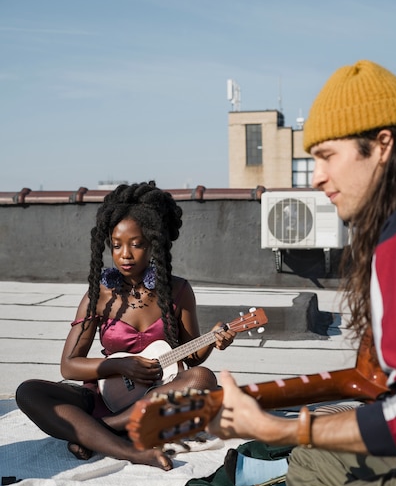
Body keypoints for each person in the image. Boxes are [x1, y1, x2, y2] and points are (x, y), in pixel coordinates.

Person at [151, 60, 396, 486]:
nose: (316, 177)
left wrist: (285, 430)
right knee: (314, 469)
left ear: (383, 144)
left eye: (327, 156)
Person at [15, 181, 235, 470]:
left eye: (137, 244)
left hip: (156, 398)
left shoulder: (178, 290)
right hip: (103, 394)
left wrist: (213, 340)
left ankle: (98, 431)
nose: (125, 255)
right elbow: (69, 366)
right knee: (28, 392)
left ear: (154, 244)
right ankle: (129, 449)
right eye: (117, 245)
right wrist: (120, 366)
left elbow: (190, 356)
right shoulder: (99, 295)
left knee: (202, 378)